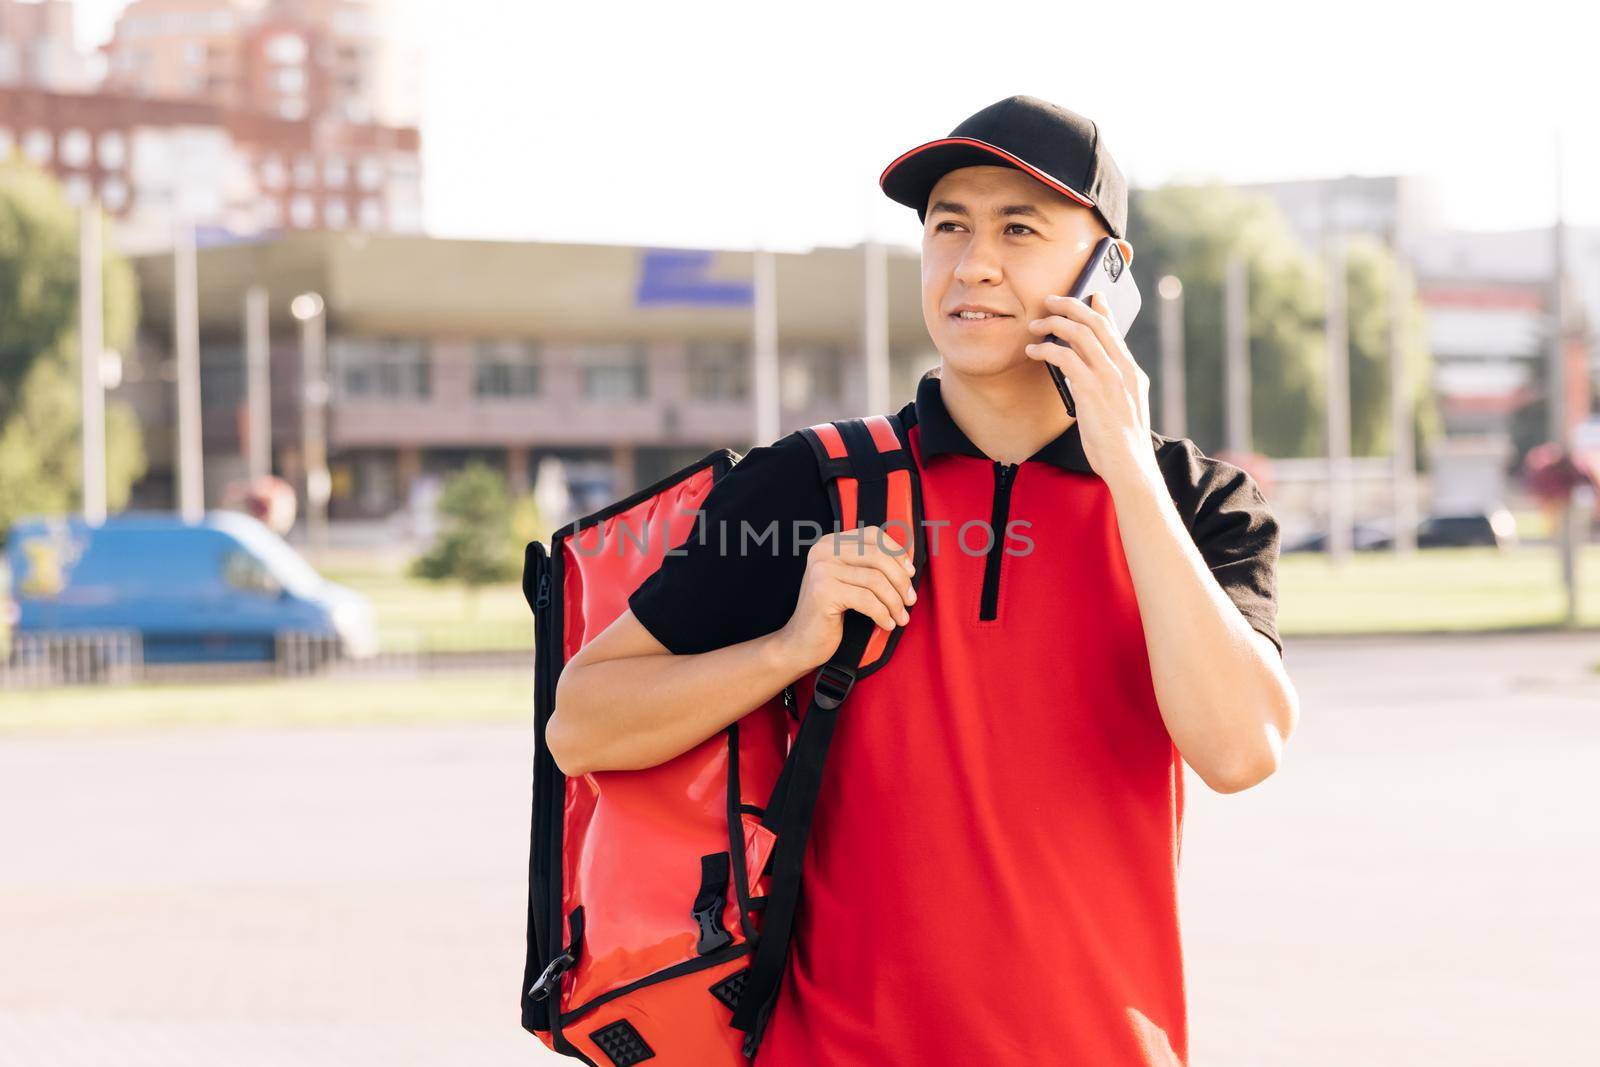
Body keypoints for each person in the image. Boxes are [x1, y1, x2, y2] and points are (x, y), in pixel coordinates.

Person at [546, 95, 1300, 1066]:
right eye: (948, 226)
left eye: (1018, 228)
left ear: (1106, 270)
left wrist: (1123, 464)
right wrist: (788, 647)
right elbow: (582, 722)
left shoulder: (1198, 500)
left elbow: (1240, 749)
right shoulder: (814, 483)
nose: (971, 261)